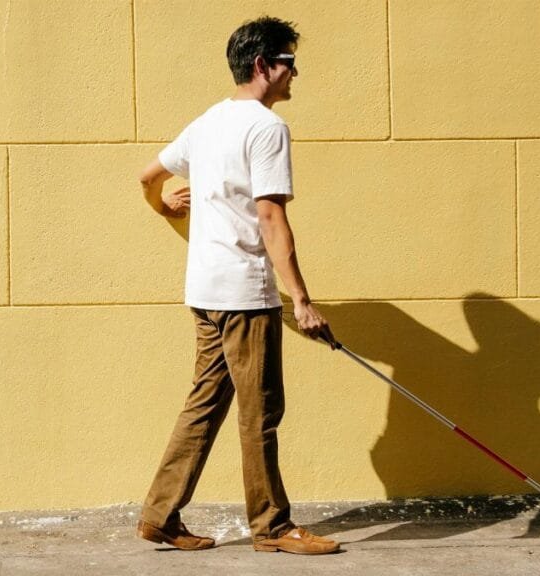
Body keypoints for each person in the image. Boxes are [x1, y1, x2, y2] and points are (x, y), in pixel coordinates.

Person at [135, 16, 340, 555]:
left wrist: (164, 206)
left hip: (204, 291)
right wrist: (302, 300)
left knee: (203, 406)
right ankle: (272, 527)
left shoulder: (208, 122)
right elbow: (271, 218)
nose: (296, 73)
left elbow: (147, 176)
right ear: (262, 66)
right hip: (246, 295)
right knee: (261, 412)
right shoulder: (267, 128)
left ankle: (159, 514)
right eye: (289, 62)